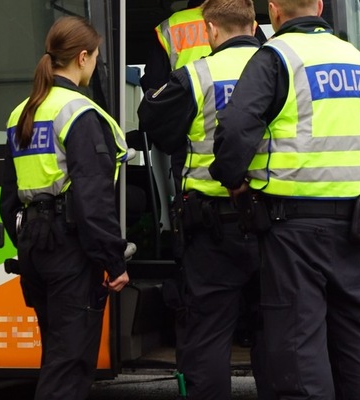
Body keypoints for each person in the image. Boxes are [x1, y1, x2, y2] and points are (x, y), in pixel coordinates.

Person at [210, 0, 360, 398]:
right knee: (355, 345)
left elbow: (235, 130)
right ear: (319, 5)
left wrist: (234, 180)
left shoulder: (276, 58)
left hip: (292, 230)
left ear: (273, 12)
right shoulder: (355, 58)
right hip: (353, 226)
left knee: (299, 350)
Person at [137, 0, 271, 398]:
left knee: (208, 335)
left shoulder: (184, 52)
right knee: (276, 331)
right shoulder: (279, 65)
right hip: (273, 221)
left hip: (209, 221)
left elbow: (153, 118)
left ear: (211, 28)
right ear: (255, 22)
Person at [0, 16, 130, 400]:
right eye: (97, 58)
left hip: (35, 249)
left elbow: (10, 200)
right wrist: (114, 259)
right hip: (69, 250)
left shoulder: (21, 112)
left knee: (57, 355)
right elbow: (93, 198)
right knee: (70, 366)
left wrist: (27, 241)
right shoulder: (77, 112)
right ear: (83, 57)